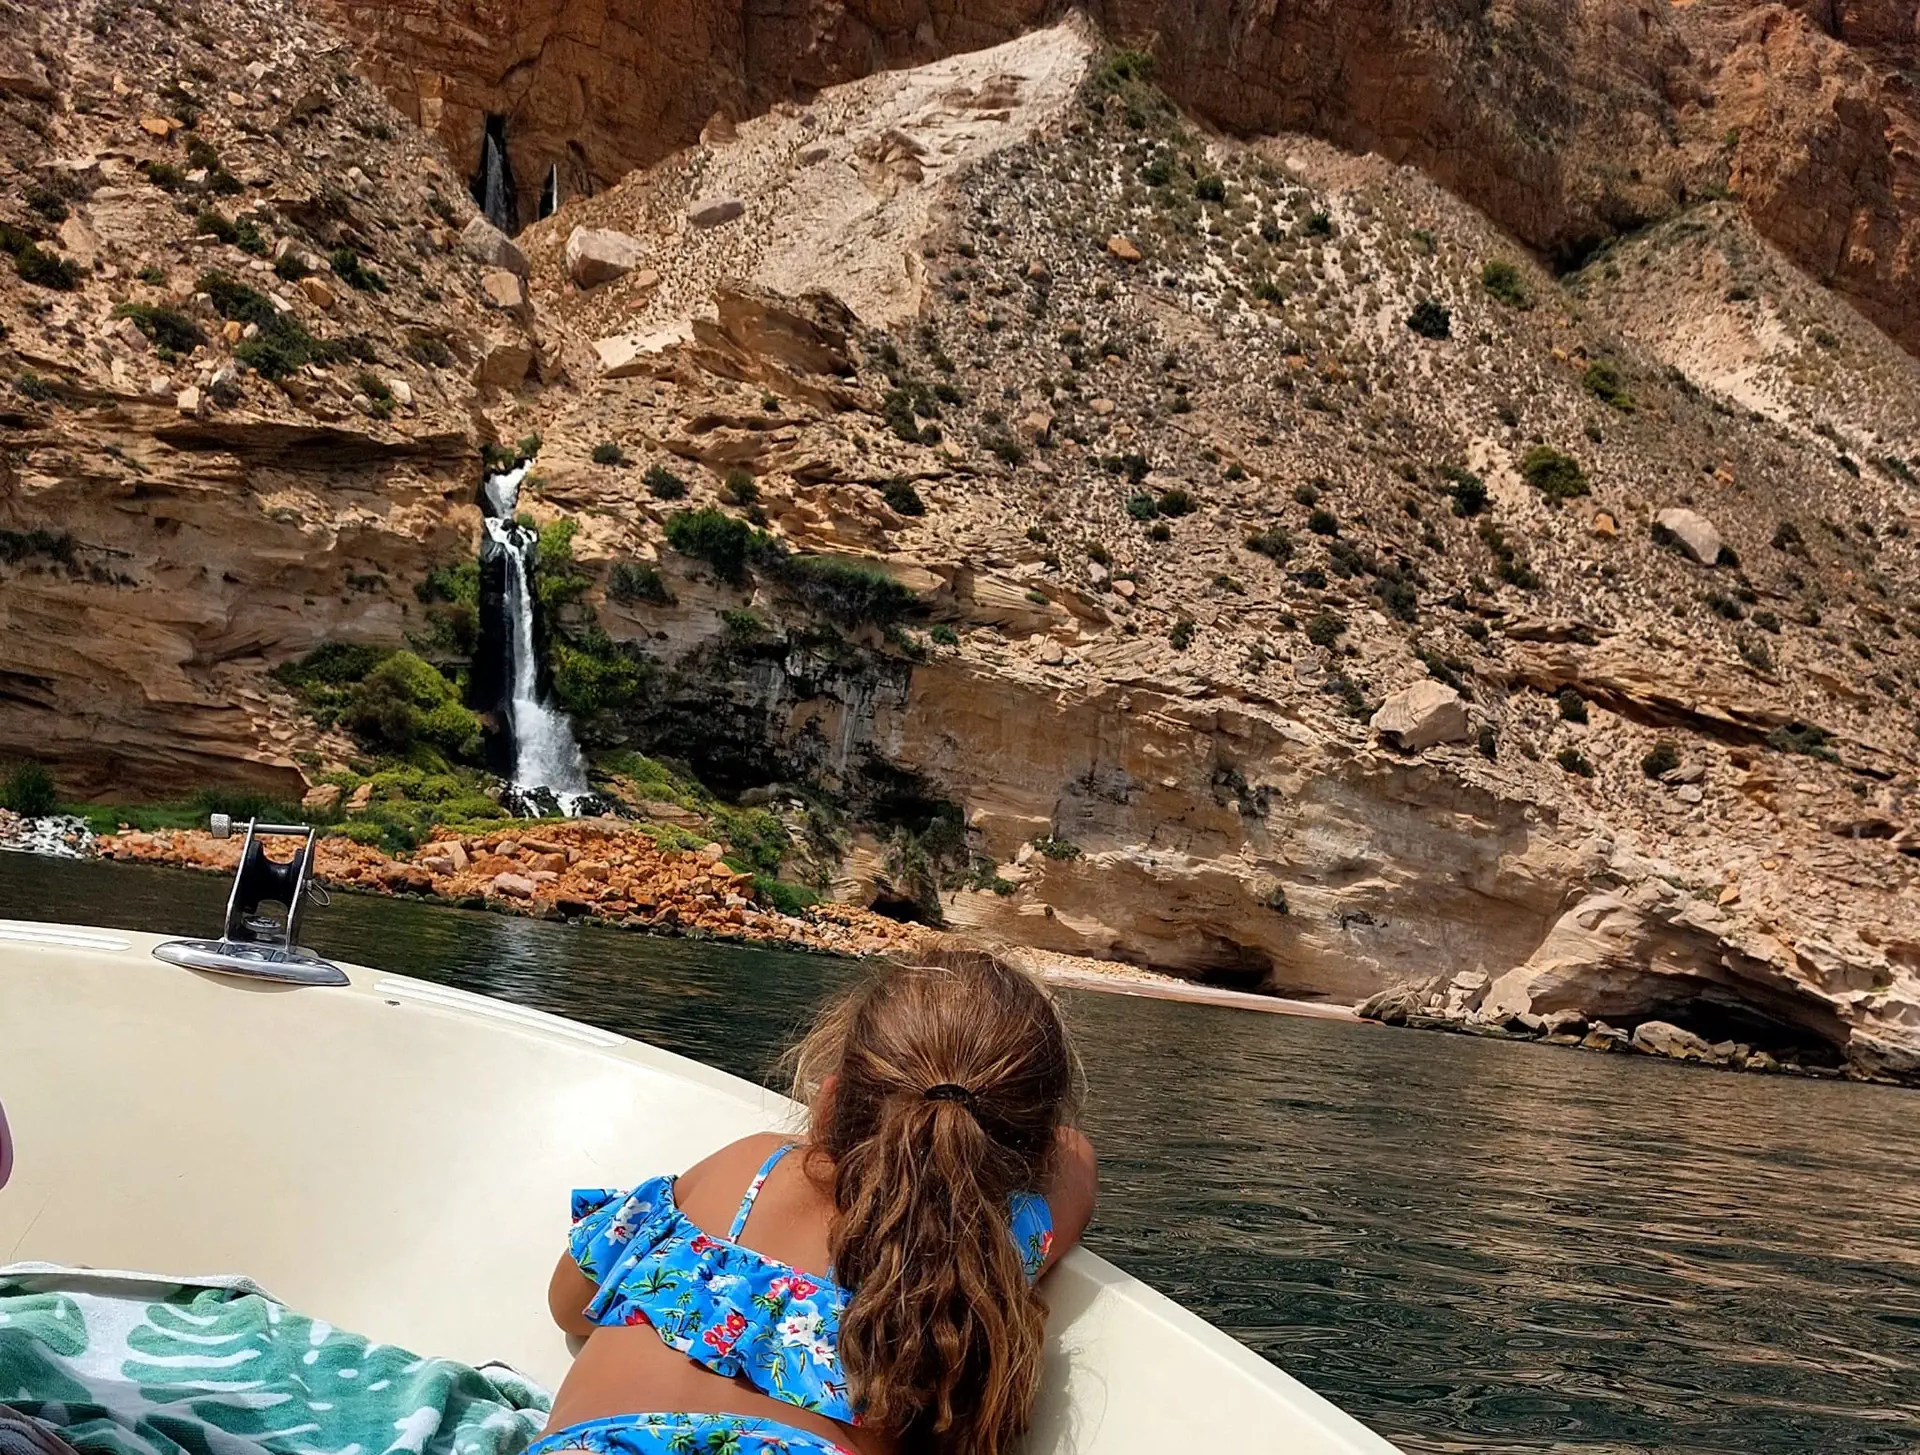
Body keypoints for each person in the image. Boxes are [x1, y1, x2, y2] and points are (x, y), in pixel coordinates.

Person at [538, 947, 1098, 1455]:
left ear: (830, 1103)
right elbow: (1075, 1159)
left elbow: (568, 1303)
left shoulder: (748, 1166)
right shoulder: (986, 1242)